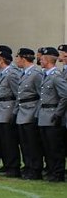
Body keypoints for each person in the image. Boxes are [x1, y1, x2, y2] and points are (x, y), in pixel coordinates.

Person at [37, 47, 67, 182]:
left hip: (52, 114)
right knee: (47, 146)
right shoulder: (46, 75)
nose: (40, 61)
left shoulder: (56, 77)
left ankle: (58, 172)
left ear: (48, 60)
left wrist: (58, 113)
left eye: (42, 58)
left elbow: (65, 95)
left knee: (55, 147)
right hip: (44, 115)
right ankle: (51, 170)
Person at [15, 48, 43, 180]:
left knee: (32, 143)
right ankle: (28, 166)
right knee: (24, 143)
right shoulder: (24, 73)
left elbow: (41, 95)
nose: (16, 60)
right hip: (22, 111)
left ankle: (35, 169)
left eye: (18, 57)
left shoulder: (36, 73)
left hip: (31, 110)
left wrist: (37, 113)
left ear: (23, 58)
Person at [0, 46, 21, 177]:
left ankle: (13, 166)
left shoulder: (11, 74)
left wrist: (15, 112)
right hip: (2, 109)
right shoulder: (3, 74)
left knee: (10, 140)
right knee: (4, 140)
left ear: (2, 60)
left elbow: (18, 94)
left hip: (8, 108)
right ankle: (8, 164)